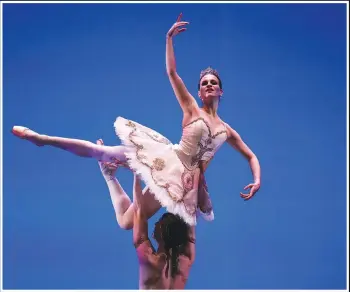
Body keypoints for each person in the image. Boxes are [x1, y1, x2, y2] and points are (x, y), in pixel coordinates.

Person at [11, 13, 261, 227]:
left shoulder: (226, 131)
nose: (208, 85)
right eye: (204, 83)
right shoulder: (192, 109)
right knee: (102, 151)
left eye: (213, 83)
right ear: (198, 92)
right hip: (168, 160)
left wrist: (257, 179)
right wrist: (169, 39)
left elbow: (250, 155)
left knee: (127, 222)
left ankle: (109, 177)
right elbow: (172, 73)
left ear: (220, 91)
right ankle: (42, 138)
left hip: (183, 183)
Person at [133, 173, 195, 289]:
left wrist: (136, 173)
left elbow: (138, 212)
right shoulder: (186, 260)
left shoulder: (151, 260)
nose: (155, 223)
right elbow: (190, 220)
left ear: (161, 232)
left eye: (159, 222)